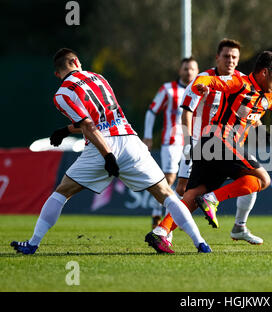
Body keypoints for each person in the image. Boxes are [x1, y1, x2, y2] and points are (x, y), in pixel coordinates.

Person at [10, 48, 211, 255]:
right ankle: (201, 243)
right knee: (166, 194)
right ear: (77, 62)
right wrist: (67, 130)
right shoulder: (99, 77)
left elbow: (90, 126)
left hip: (101, 146)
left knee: (62, 192)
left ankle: (33, 243)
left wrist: (107, 156)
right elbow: (104, 115)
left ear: (57, 74)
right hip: (130, 141)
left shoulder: (61, 94)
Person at [150, 50, 272, 253]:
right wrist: (198, 84)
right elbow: (211, 80)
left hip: (208, 144)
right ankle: (214, 201)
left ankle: (161, 232)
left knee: (193, 195)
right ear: (264, 72)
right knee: (263, 179)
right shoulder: (240, 83)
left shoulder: (271, 97)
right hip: (219, 140)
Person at [155, 39, 263, 245]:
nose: (230, 60)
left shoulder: (242, 81)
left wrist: (254, 118)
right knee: (183, 189)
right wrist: (188, 143)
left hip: (227, 144)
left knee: (251, 178)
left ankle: (240, 226)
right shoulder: (203, 79)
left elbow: (247, 111)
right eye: (226, 56)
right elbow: (186, 111)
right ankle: (165, 230)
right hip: (200, 143)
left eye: (234, 57)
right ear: (217, 57)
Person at [142, 57, 199, 229]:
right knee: (170, 178)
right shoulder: (168, 89)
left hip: (192, 141)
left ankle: (174, 216)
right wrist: (148, 136)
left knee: (187, 182)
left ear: (197, 71)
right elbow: (152, 111)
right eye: (186, 68)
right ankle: (156, 213)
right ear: (180, 70)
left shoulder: (201, 90)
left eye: (192, 69)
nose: (189, 72)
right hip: (171, 140)